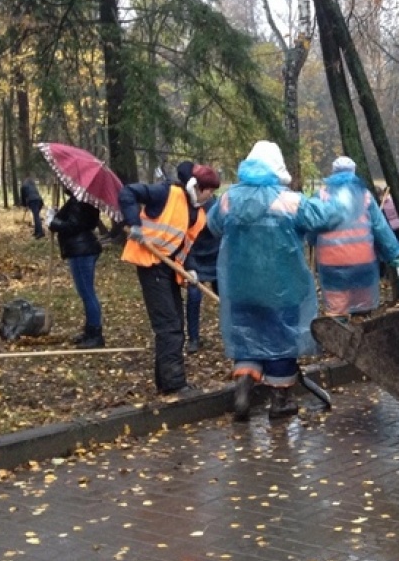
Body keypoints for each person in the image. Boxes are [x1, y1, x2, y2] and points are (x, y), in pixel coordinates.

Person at [206, 141, 350, 421]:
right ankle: (279, 402)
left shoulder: (228, 199)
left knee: (247, 337)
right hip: (281, 288)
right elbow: (325, 217)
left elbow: (213, 226)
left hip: (241, 287)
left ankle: (243, 389)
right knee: (282, 341)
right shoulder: (288, 200)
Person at [118, 161, 215, 398]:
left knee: (176, 325)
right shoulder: (166, 193)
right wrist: (134, 223)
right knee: (168, 326)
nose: (211, 195)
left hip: (169, 268)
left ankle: (166, 380)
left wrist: (191, 270)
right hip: (149, 263)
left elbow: (186, 246)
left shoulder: (199, 214)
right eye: (209, 190)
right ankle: (174, 384)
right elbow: (127, 192)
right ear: (197, 186)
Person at [313, 156, 399, 317]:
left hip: (331, 263)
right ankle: (362, 337)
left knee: (336, 310)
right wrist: (392, 252)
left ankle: (338, 337)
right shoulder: (365, 196)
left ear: (333, 173)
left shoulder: (321, 196)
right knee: (363, 308)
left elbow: (312, 228)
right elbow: (379, 227)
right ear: (354, 172)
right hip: (363, 261)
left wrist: (313, 241)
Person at [48, 195, 105, 348]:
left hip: (81, 249)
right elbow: (78, 221)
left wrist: (53, 222)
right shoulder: (89, 199)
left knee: (87, 293)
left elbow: (72, 225)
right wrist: (57, 214)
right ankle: (90, 330)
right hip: (85, 247)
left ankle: (95, 334)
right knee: (86, 293)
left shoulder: (79, 200)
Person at [183, 165, 222, 354]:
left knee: (224, 296)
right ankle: (193, 338)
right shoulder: (189, 204)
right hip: (195, 257)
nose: (210, 193)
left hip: (216, 256)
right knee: (193, 296)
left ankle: (231, 331)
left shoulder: (217, 205)